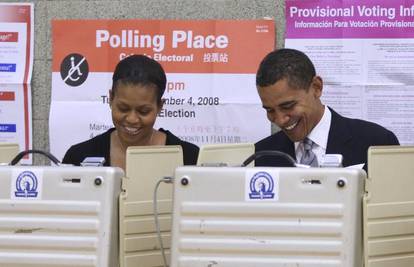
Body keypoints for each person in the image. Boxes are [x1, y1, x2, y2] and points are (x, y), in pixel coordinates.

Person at [254, 48, 399, 171]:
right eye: (270, 110)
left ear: (316, 88)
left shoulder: (376, 142)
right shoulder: (260, 156)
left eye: (288, 106)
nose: (280, 120)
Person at [62, 55, 199, 169]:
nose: (132, 119)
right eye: (123, 108)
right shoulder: (78, 157)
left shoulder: (189, 159)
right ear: (110, 98)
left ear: (160, 106)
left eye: (143, 111)